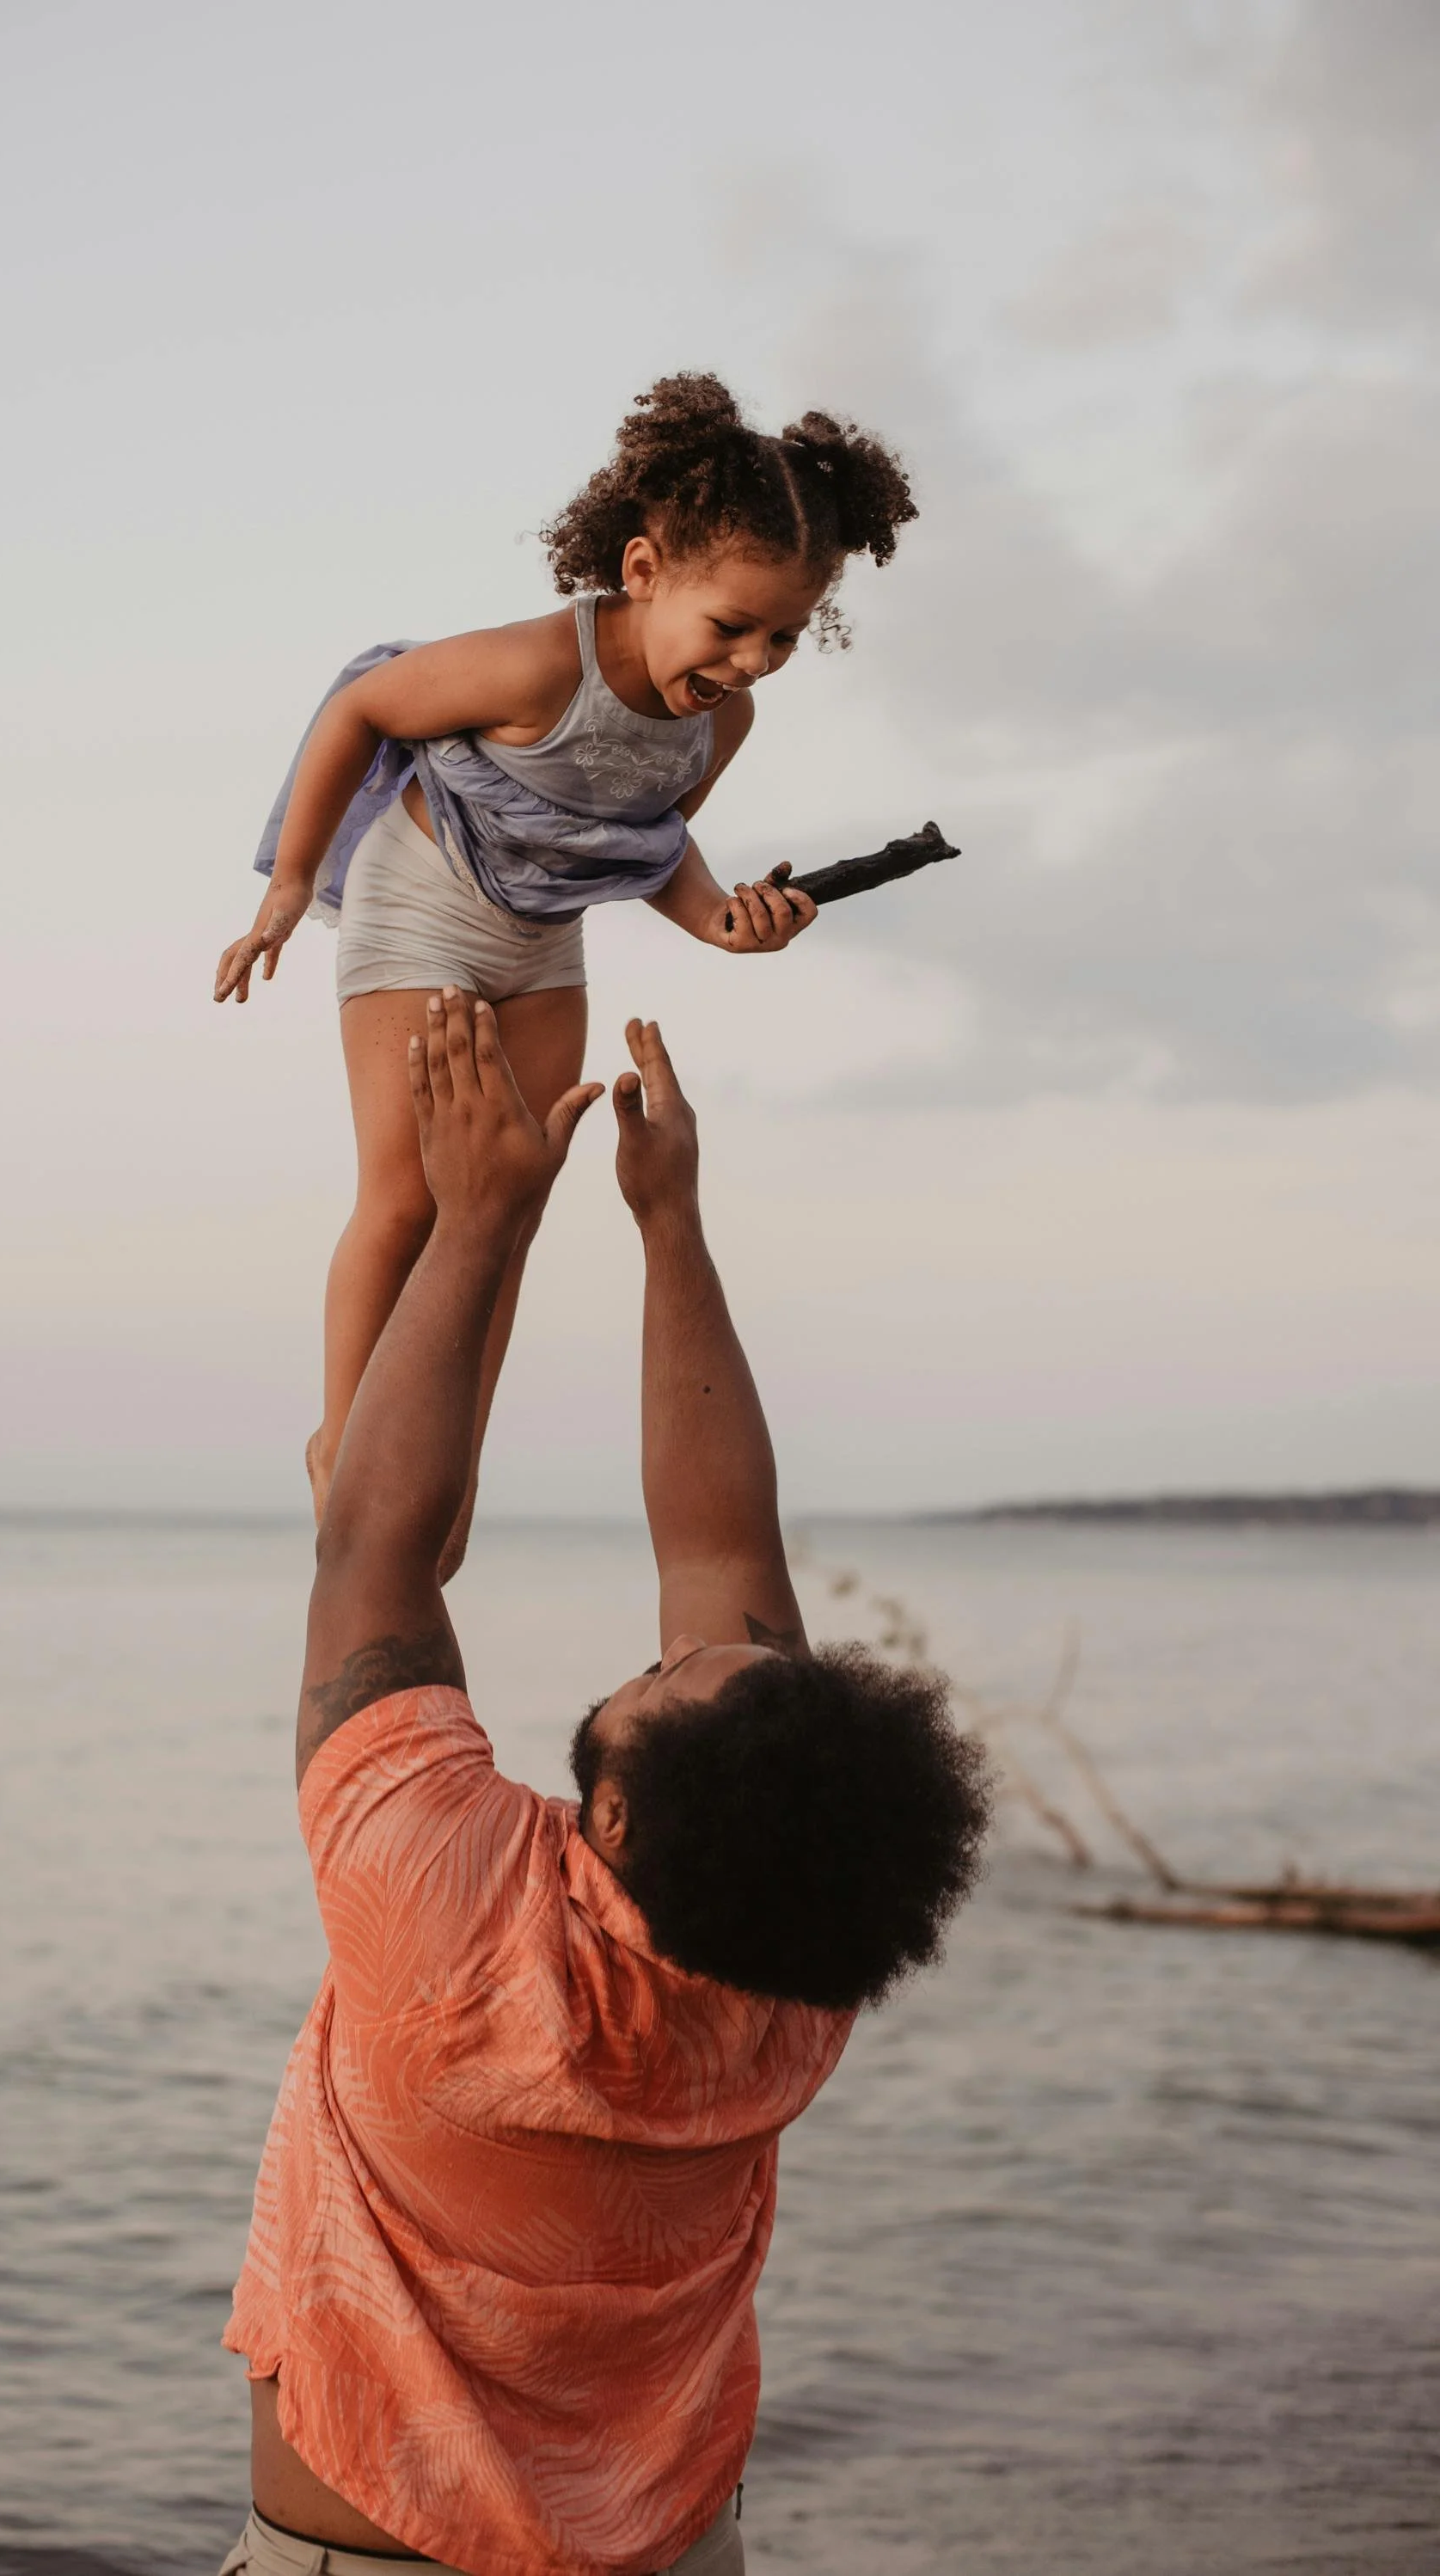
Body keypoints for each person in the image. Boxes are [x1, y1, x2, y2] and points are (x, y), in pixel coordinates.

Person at [219, 998, 990, 2576]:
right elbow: (718, 1552)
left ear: (615, 1821)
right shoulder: (793, 1974)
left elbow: (371, 1543)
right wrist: (670, 1227)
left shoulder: (444, 1913)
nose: (670, 1654)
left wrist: (483, 1221)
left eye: (668, 1681)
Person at [212, 372, 917, 1569]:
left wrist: (728, 924)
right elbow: (364, 707)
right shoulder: (544, 664)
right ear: (644, 572)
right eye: (731, 625)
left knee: (508, 1204)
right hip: (422, 902)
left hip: (542, 938)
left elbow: (648, 846)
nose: (752, 660)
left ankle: (448, 1456)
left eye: (785, 636)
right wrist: (288, 882)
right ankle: (345, 1439)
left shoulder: (718, 725)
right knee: (407, 1190)